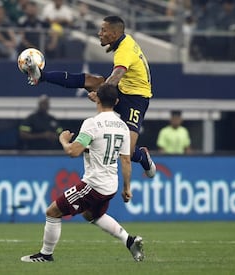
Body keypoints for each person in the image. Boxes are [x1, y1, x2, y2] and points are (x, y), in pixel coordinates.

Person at [20, 84, 144, 263]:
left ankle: (45, 255)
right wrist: (127, 188)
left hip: (94, 184)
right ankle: (130, 241)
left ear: (98, 99)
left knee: (52, 211)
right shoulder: (123, 127)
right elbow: (125, 160)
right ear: (116, 101)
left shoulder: (92, 124)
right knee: (92, 215)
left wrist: (63, 140)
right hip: (111, 185)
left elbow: (73, 152)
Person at [25, 15, 156, 178]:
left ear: (114, 34)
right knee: (89, 80)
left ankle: (143, 156)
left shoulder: (124, 50)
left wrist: (100, 95)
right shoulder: (122, 41)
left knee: (127, 151)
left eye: (103, 30)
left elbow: (117, 75)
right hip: (123, 90)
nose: (99, 33)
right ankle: (41, 76)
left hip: (137, 99)